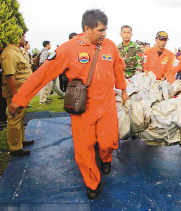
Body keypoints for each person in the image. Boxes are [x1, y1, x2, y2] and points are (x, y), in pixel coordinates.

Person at [8, 9, 129, 200]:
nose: (104, 34)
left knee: (109, 141)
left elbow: (118, 69)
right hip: (82, 107)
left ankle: (106, 157)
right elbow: (42, 74)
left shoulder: (110, 46)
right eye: (100, 30)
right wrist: (20, 99)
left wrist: (123, 92)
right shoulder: (68, 49)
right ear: (87, 28)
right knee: (84, 148)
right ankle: (92, 182)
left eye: (106, 29)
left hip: (107, 104)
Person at [0, 33, 35, 156]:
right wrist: (15, 97)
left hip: (22, 92)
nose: (24, 39)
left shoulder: (17, 51)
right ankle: (15, 148)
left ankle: (20, 141)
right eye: (22, 36)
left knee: (20, 117)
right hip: (16, 93)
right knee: (15, 118)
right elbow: (10, 77)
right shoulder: (9, 53)